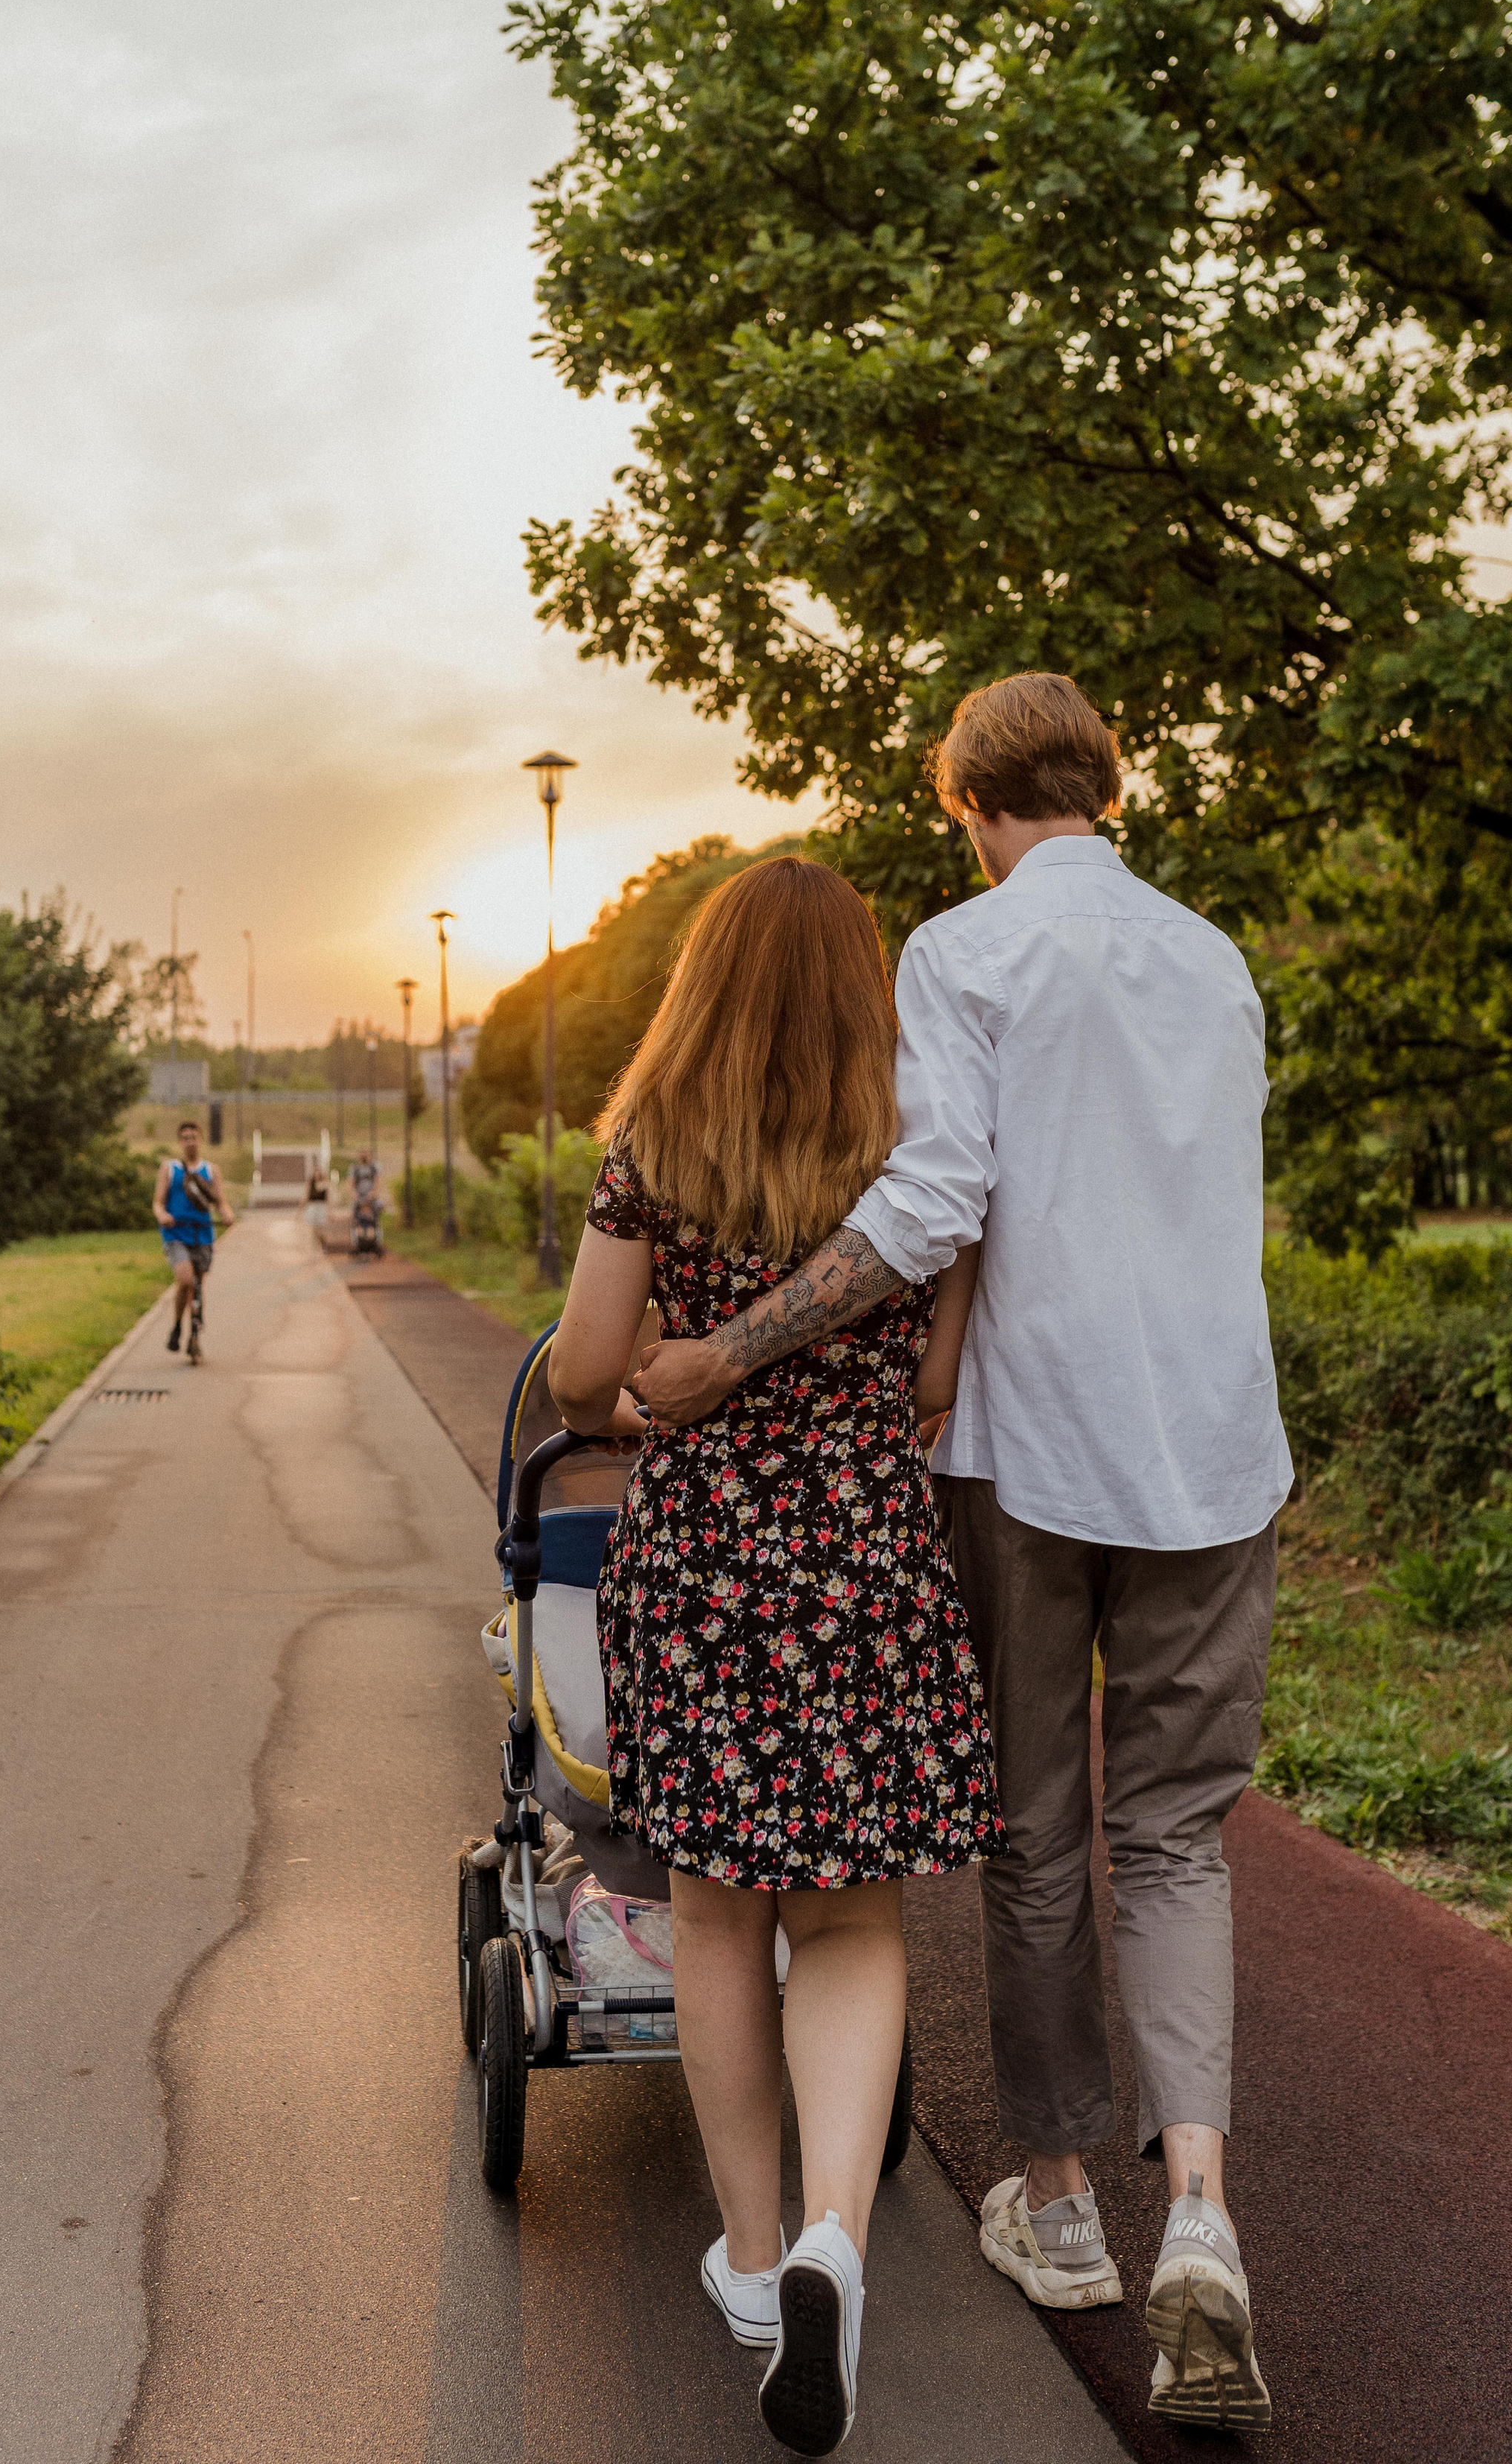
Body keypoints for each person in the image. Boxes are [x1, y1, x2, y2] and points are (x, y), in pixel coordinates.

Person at [636, 673, 1291, 2439]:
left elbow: (931, 1202)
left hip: (1029, 1453)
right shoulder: (1213, 959)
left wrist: (729, 1352)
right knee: (1172, 1831)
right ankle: (1205, 2211)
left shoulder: (964, 951)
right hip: (1215, 1451)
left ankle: (1065, 2200)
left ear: (967, 802)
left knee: (1034, 1828)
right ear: (1101, 785)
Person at [547, 855, 1003, 2460]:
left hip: (703, 1568)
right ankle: (833, 2232)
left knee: (718, 1921)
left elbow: (584, 1372)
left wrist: (638, 1397)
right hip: (863, 1559)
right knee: (856, 1923)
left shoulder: (652, 1145)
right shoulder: (914, 1145)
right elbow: (936, 1373)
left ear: (706, 980)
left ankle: (751, 2266)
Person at [152, 1118, 234, 1353]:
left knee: (198, 1285)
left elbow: (221, 1203)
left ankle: (195, 1333)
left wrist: (227, 1216)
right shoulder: (170, 1169)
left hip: (203, 1235)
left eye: (194, 1138)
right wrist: (163, 1215)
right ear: (180, 1141)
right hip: (176, 1233)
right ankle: (177, 1325)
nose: (190, 1142)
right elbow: (157, 1203)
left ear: (200, 1140)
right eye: (185, 1138)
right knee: (186, 1280)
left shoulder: (211, 1171)